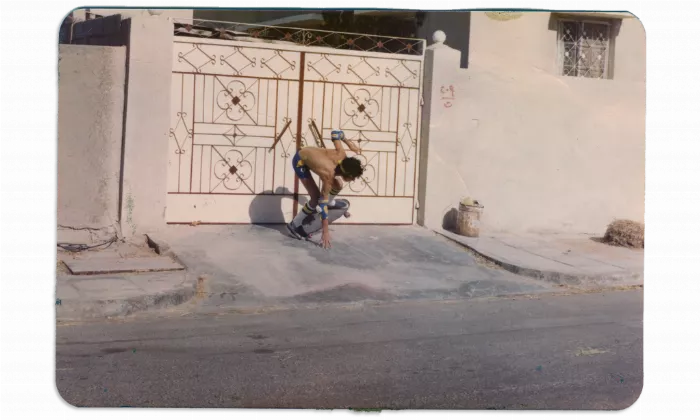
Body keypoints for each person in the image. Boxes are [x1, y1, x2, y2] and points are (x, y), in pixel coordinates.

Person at [286, 129, 364, 249]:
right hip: (300, 162)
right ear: (346, 174)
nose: (353, 180)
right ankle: (294, 224)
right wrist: (325, 231)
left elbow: (336, 133)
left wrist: (350, 144)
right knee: (316, 198)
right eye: (352, 178)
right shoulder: (328, 174)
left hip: (309, 154)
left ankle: (331, 203)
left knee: (338, 185)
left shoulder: (341, 154)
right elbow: (321, 204)